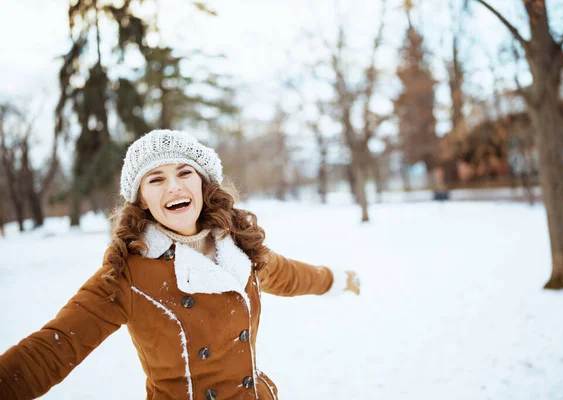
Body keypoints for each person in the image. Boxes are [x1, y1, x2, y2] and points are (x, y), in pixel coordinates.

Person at [0, 129, 360, 400]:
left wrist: (340, 279)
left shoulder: (238, 247)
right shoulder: (125, 276)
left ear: (203, 184)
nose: (173, 186)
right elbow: (55, 346)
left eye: (184, 173)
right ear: (141, 200)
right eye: (156, 179)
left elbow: (290, 276)